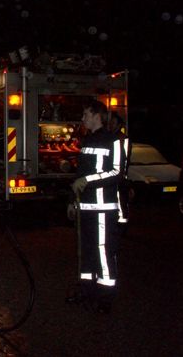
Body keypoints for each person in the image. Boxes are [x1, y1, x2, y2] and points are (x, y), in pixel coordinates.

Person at [66, 100, 125, 314]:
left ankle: (105, 298)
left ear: (97, 116)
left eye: (85, 114)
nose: (83, 119)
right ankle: (86, 291)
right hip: (85, 208)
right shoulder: (87, 140)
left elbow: (117, 172)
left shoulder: (114, 141)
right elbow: (78, 175)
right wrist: (73, 202)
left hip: (103, 208)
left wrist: (88, 181)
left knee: (103, 253)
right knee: (86, 253)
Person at [108, 112, 131, 226]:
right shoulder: (112, 137)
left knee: (121, 199)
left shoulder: (122, 139)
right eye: (110, 122)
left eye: (113, 123)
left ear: (119, 125)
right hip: (115, 175)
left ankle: (122, 223)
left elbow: (125, 159)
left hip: (120, 176)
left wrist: (122, 174)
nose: (111, 125)